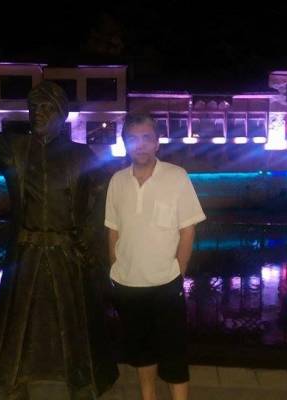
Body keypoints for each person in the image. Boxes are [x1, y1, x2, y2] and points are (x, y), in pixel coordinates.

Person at [0, 52, 118, 399]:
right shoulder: (15, 149)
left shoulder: (82, 155)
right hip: (26, 256)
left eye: (47, 108)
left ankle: (81, 380)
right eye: (34, 107)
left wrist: (88, 244)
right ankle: (15, 382)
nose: (38, 113)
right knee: (21, 327)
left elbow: (100, 203)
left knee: (74, 326)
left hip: (68, 256)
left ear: (62, 116)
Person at [104, 113, 206, 400]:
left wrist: (178, 274)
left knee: (174, 355)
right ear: (125, 143)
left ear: (157, 143)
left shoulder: (177, 177)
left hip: (166, 284)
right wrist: (115, 269)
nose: (140, 145)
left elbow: (188, 230)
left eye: (146, 138)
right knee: (142, 354)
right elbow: (112, 230)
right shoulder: (117, 181)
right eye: (133, 139)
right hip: (127, 285)